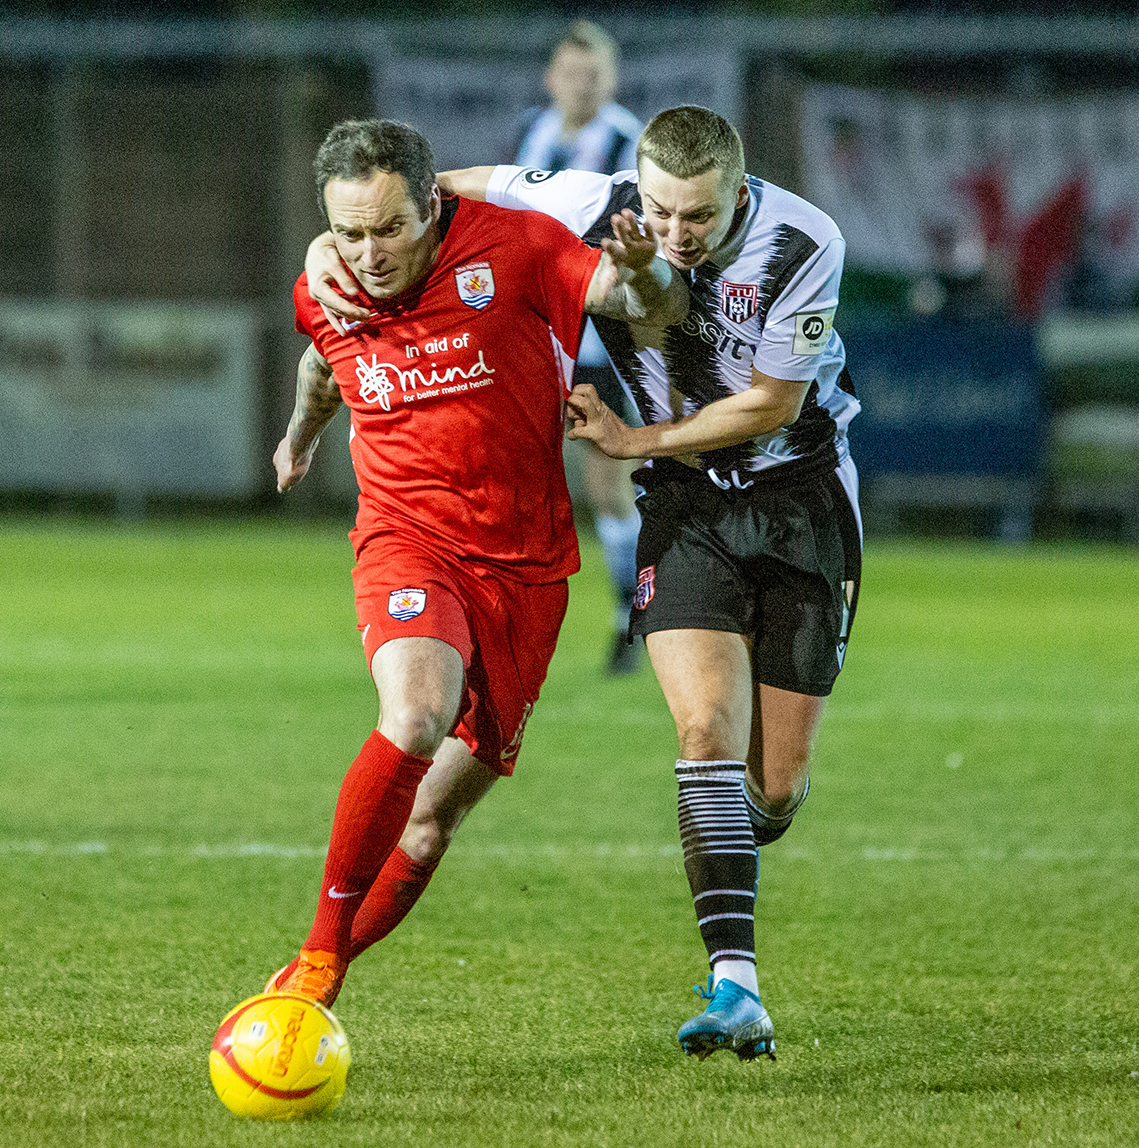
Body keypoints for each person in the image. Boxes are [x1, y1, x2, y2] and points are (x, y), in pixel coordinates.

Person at [307, 106, 863, 1062]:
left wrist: (631, 439)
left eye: (700, 217)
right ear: (635, 189)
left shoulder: (804, 239)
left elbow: (773, 403)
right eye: (660, 213)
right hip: (684, 507)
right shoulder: (587, 203)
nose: (677, 235)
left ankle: (751, 819)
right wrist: (328, 246)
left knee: (770, 787)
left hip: (799, 498)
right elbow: (427, 194)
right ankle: (738, 984)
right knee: (702, 734)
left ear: (741, 191)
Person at [264, 118, 683, 1010]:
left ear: (434, 205)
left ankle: (312, 985)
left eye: (388, 230)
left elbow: (634, 298)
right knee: (415, 716)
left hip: (526, 567)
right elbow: (320, 366)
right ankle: (317, 961)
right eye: (348, 234)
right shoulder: (328, 282)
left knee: (432, 816)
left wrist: (644, 265)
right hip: (405, 536)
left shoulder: (519, 248)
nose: (369, 256)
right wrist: (299, 438)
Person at [511, 20, 648, 676]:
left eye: (592, 73)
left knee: (604, 479)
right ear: (551, 76)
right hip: (530, 330)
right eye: (570, 72)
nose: (580, 84)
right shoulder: (532, 134)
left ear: (611, 79)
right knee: (510, 470)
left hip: (594, 334)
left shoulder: (628, 141)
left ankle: (631, 612)